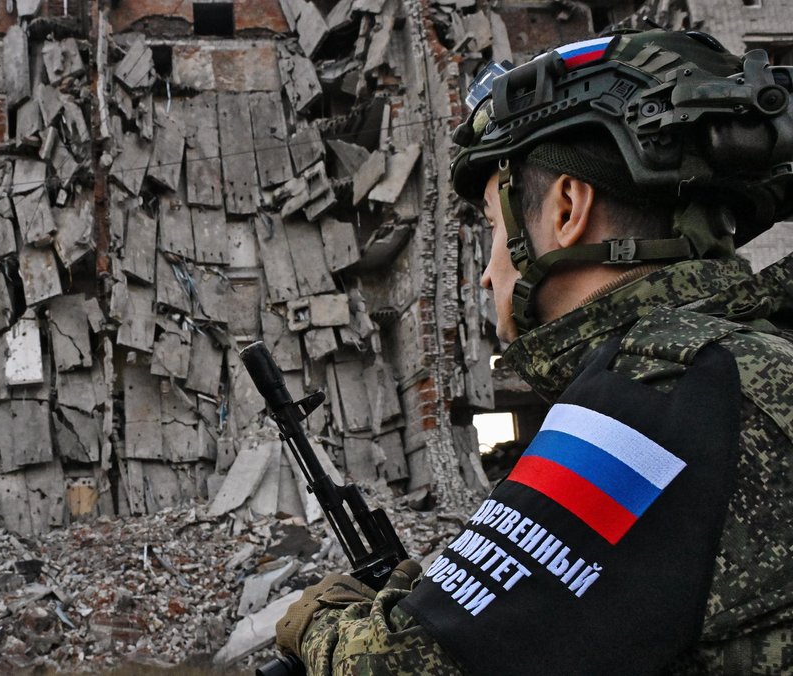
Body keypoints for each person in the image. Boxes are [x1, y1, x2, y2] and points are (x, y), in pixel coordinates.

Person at [275, 28, 793, 675]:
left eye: (494, 225)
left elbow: (405, 662)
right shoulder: (753, 363)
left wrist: (319, 626)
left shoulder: (657, 389)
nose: (488, 274)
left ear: (569, 207)